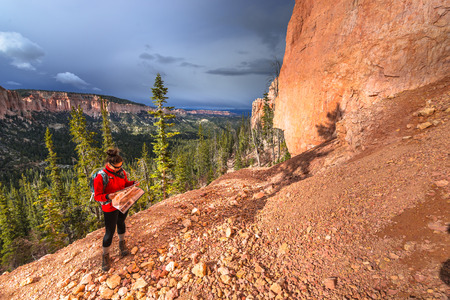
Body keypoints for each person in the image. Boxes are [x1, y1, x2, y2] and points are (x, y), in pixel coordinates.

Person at [94, 148, 137, 271]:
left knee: (121, 222)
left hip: (123, 203)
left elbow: (125, 184)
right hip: (109, 207)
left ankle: (122, 244)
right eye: (116, 167)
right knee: (110, 232)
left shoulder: (122, 172)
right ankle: (105, 255)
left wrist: (133, 183)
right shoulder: (101, 177)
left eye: (121, 166)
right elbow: (97, 196)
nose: (119, 169)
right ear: (109, 165)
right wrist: (108, 196)